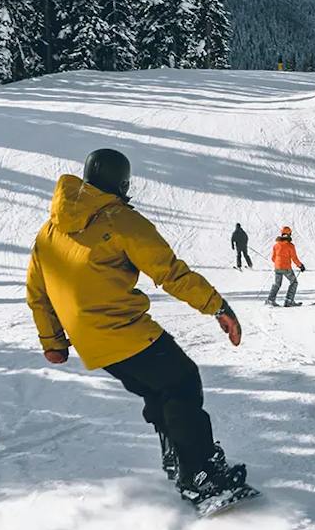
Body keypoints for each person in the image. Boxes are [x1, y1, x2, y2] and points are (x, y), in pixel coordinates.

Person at [26, 148, 249, 505]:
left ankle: (178, 458)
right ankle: (200, 474)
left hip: (93, 343)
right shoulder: (120, 219)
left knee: (158, 389)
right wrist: (217, 306)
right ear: (123, 182)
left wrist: (54, 342)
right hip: (122, 328)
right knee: (182, 381)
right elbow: (171, 273)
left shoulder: (49, 230)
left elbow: (38, 292)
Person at [267, 226, 306, 307]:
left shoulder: (276, 245)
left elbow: (273, 258)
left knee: (277, 284)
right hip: (286, 268)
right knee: (294, 282)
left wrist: (278, 263)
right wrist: (300, 266)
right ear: (289, 234)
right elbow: (294, 259)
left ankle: (270, 300)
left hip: (277, 267)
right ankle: (289, 300)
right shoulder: (290, 246)